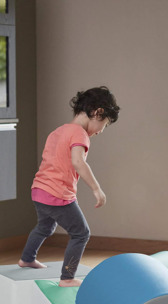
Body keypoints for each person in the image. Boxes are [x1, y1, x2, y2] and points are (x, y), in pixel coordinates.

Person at [18, 86, 120, 287]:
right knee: (81, 233)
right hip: (57, 195)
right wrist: (96, 189)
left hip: (39, 191)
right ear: (98, 112)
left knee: (44, 227)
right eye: (104, 124)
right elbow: (78, 162)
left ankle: (27, 258)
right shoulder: (79, 134)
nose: (100, 131)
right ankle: (67, 277)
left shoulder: (57, 132)